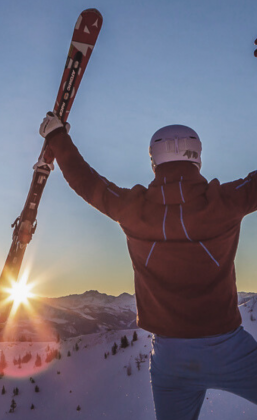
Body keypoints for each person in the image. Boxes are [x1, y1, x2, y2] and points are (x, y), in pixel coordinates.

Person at [39, 112, 257, 420]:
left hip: (170, 358)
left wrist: (58, 138)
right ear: (198, 161)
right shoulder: (224, 201)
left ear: (154, 163)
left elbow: (88, 183)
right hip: (230, 349)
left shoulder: (133, 208)